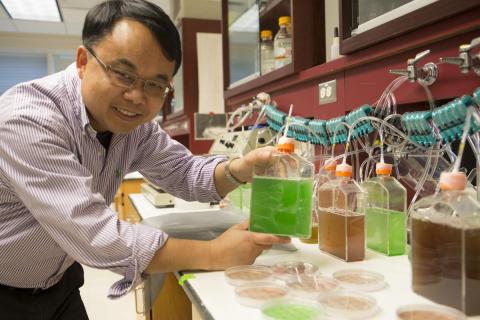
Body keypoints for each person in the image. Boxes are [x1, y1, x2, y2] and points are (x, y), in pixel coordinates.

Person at [0, 0, 289, 319]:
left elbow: (184, 171)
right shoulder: (26, 120)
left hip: (60, 284)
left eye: (155, 84)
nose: (137, 96)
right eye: (124, 74)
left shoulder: (133, 128)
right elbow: (94, 233)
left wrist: (241, 168)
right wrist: (214, 253)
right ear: (83, 61)